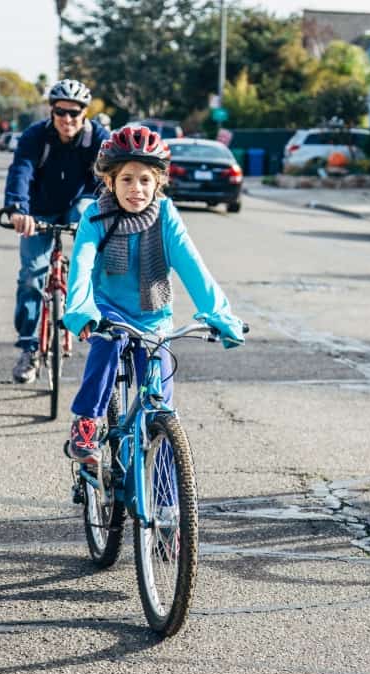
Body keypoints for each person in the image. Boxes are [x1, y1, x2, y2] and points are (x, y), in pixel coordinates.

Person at [62, 125, 245, 463]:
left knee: (161, 409)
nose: (137, 189)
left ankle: (166, 505)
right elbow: (82, 267)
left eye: (145, 180)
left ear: (158, 183)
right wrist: (81, 310)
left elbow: (193, 268)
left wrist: (219, 313)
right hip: (107, 308)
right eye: (127, 179)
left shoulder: (166, 217)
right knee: (108, 344)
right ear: (110, 181)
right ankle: (86, 421)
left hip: (153, 315)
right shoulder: (96, 215)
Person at [3, 79, 109, 383]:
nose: (67, 119)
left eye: (74, 113)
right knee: (31, 276)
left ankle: (86, 304)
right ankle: (28, 347)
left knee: (86, 224)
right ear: (52, 111)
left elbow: (110, 176)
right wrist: (17, 210)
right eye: (61, 112)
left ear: (84, 113)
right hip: (39, 208)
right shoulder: (36, 136)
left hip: (80, 202)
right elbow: (20, 170)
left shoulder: (98, 138)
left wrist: (110, 211)